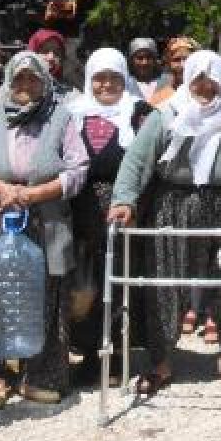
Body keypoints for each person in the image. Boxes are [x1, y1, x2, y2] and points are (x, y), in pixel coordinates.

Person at [109, 51, 221, 396]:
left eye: (211, 80)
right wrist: (124, 199)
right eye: (197, 78)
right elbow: (137, 160)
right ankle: (161, 361)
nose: (204, 86)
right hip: (173, 204)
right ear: (187, 79)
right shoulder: (168, 114)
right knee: (163, 284)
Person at [0, 52, 90, 409]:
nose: (26, 87)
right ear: (9, 81)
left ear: (45, 82)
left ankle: (41, 376)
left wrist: (34, 193)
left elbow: (78, 169)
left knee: (45, 294)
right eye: (19, 80)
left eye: (33, 79)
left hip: (44, 216)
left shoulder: (60, 117)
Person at [68, 48, 153, 387]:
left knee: (120, 279)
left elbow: (151, 160)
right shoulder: (72, 113)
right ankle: (89, 354)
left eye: (114, 77)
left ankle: (119, 354)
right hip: (81, 211)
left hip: (125, 208)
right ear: (89, 79)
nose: (107, 85)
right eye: (99, 78)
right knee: (86, 283)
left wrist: (134, 202)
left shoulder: (140, 112)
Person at [27, 28, 79, 102]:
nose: (51, 58)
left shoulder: (70, 94)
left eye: (57, 53)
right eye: (45, 51)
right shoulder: (18, 88)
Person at [149, 36, 198, 109]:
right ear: (168, 63)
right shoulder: (158, 99)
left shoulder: (205, 95)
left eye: (187, 59)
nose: (182, 65)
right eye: (176, 60)